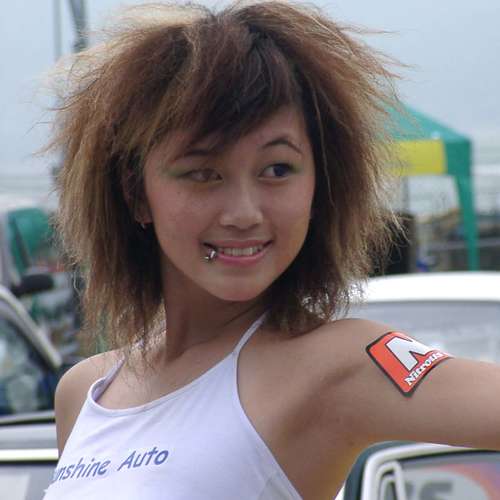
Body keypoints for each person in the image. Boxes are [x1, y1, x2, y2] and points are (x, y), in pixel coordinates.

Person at [43, 2, 500, 499]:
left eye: (277, 169)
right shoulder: (85, 391)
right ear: (136, 193)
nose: (244, 213)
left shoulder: (338, 366)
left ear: (320, 184)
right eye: (203, 173)